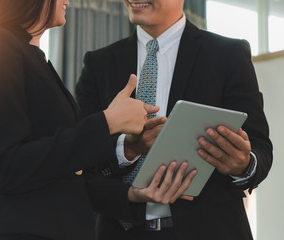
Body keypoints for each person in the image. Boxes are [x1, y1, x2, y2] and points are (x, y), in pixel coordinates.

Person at [0, 1, 198, 240]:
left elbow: (65, 167)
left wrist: (132, 176)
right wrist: (108, 122)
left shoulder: (33, 57)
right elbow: (7, 166)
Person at [75, 0, 273, 239]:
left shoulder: (228, 55)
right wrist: (126, 149)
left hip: (209, 230)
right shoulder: (99, 64)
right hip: (119, 231)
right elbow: (81, 161)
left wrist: (243, 165)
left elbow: (260, 149)